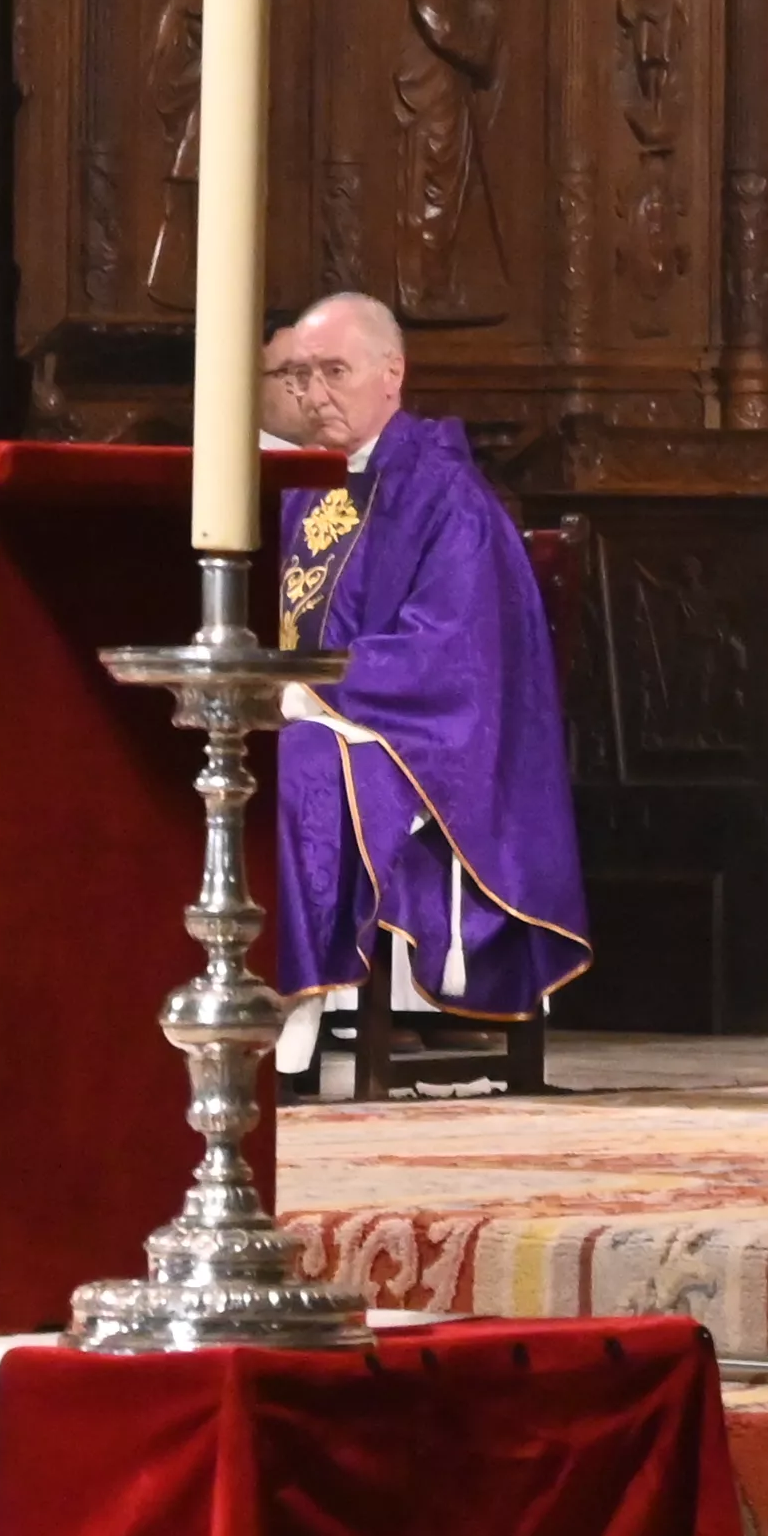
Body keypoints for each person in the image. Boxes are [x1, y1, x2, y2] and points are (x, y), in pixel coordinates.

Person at [258, 292, 589, 1073]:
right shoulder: (304, 489)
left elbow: (454, 652)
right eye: (303, 375)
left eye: (335, 371)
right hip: (316, 711)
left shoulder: (450, 498)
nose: (315, 393)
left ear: (392, 375)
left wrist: (311, 689)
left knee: (297, 763)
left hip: (430, 741)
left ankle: (285, 1006)